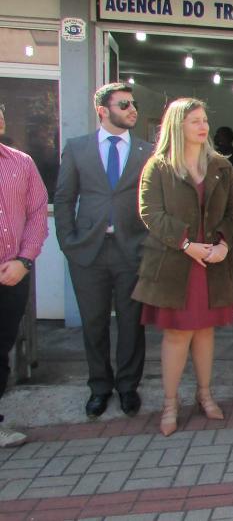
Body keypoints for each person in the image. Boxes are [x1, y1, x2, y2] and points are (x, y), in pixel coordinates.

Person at [132, 98, 233, 436]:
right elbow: (150, 212)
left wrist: (224, 244)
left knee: (205, 332)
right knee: (178, 333)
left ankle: (205, 395)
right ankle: (170, 403)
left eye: (204, 119)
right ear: (177, 125)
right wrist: (185, 243)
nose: (203, 125)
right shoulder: (159, 166)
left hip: (212, 263)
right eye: (194, 120)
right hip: (175, 264)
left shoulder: (221, 166)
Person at [54, 83, 152, 419]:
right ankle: (99, 387)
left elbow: (154, 202)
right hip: (89, 252)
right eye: (123, 104)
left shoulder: (146, 151)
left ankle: (128, 387)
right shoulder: (78, 148)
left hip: (131, 249)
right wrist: (68, 242)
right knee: (94, 323)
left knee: (131, 324)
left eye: (133, 104)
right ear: (102, 110)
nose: (131, 109)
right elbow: (64, 199)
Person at [0, 106, 48, 447]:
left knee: (1, 349)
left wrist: (24, 260)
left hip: (13, 273)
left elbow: (36, 215)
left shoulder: (21, 163)